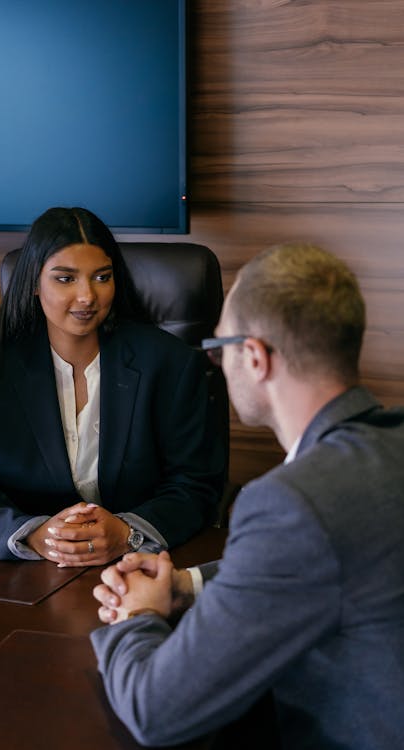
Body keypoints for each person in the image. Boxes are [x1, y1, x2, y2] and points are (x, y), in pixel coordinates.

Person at [91, 242, 404, 749]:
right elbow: (315, 558)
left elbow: (155, 710)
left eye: (219, 348)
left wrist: (138, 615)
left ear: (254, 357)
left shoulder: (292, 501)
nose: (217, 364)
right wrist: (185, 586)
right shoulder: (389, 441)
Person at [0, 207, 224, 565]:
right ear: (34, 285)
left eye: (102, 277)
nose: (87, 296)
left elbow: (196, 485)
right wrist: (34, 534)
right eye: (65, 279)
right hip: (30, 574)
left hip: (143, 568)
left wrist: (126, 531)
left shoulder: (171, 364)